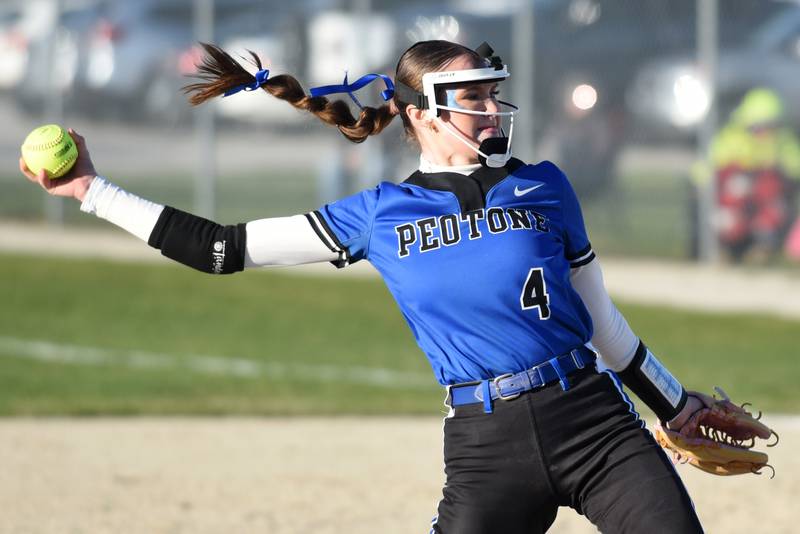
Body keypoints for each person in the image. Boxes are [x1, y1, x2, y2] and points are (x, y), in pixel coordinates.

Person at [21, 40, 708, 533]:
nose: (493, 109)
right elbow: (221, 250)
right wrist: (91, 190)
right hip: (486, 442)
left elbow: (601, 322)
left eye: (494, 94)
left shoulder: (546, 185)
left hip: (596, 423)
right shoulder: (380, 213)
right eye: (474, 97)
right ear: (423, 113)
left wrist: (674, 405)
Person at [692, 88, 800, 263]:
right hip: (734, 201)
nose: (764, 133)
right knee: (735, 189)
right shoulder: (730, 138)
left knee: (770, 191)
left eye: (769, 126)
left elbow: (792, 173)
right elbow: (707, 171)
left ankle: (761, 247)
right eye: (758, 127)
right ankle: (724, 249)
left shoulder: (784, 142)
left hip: (763, 204)